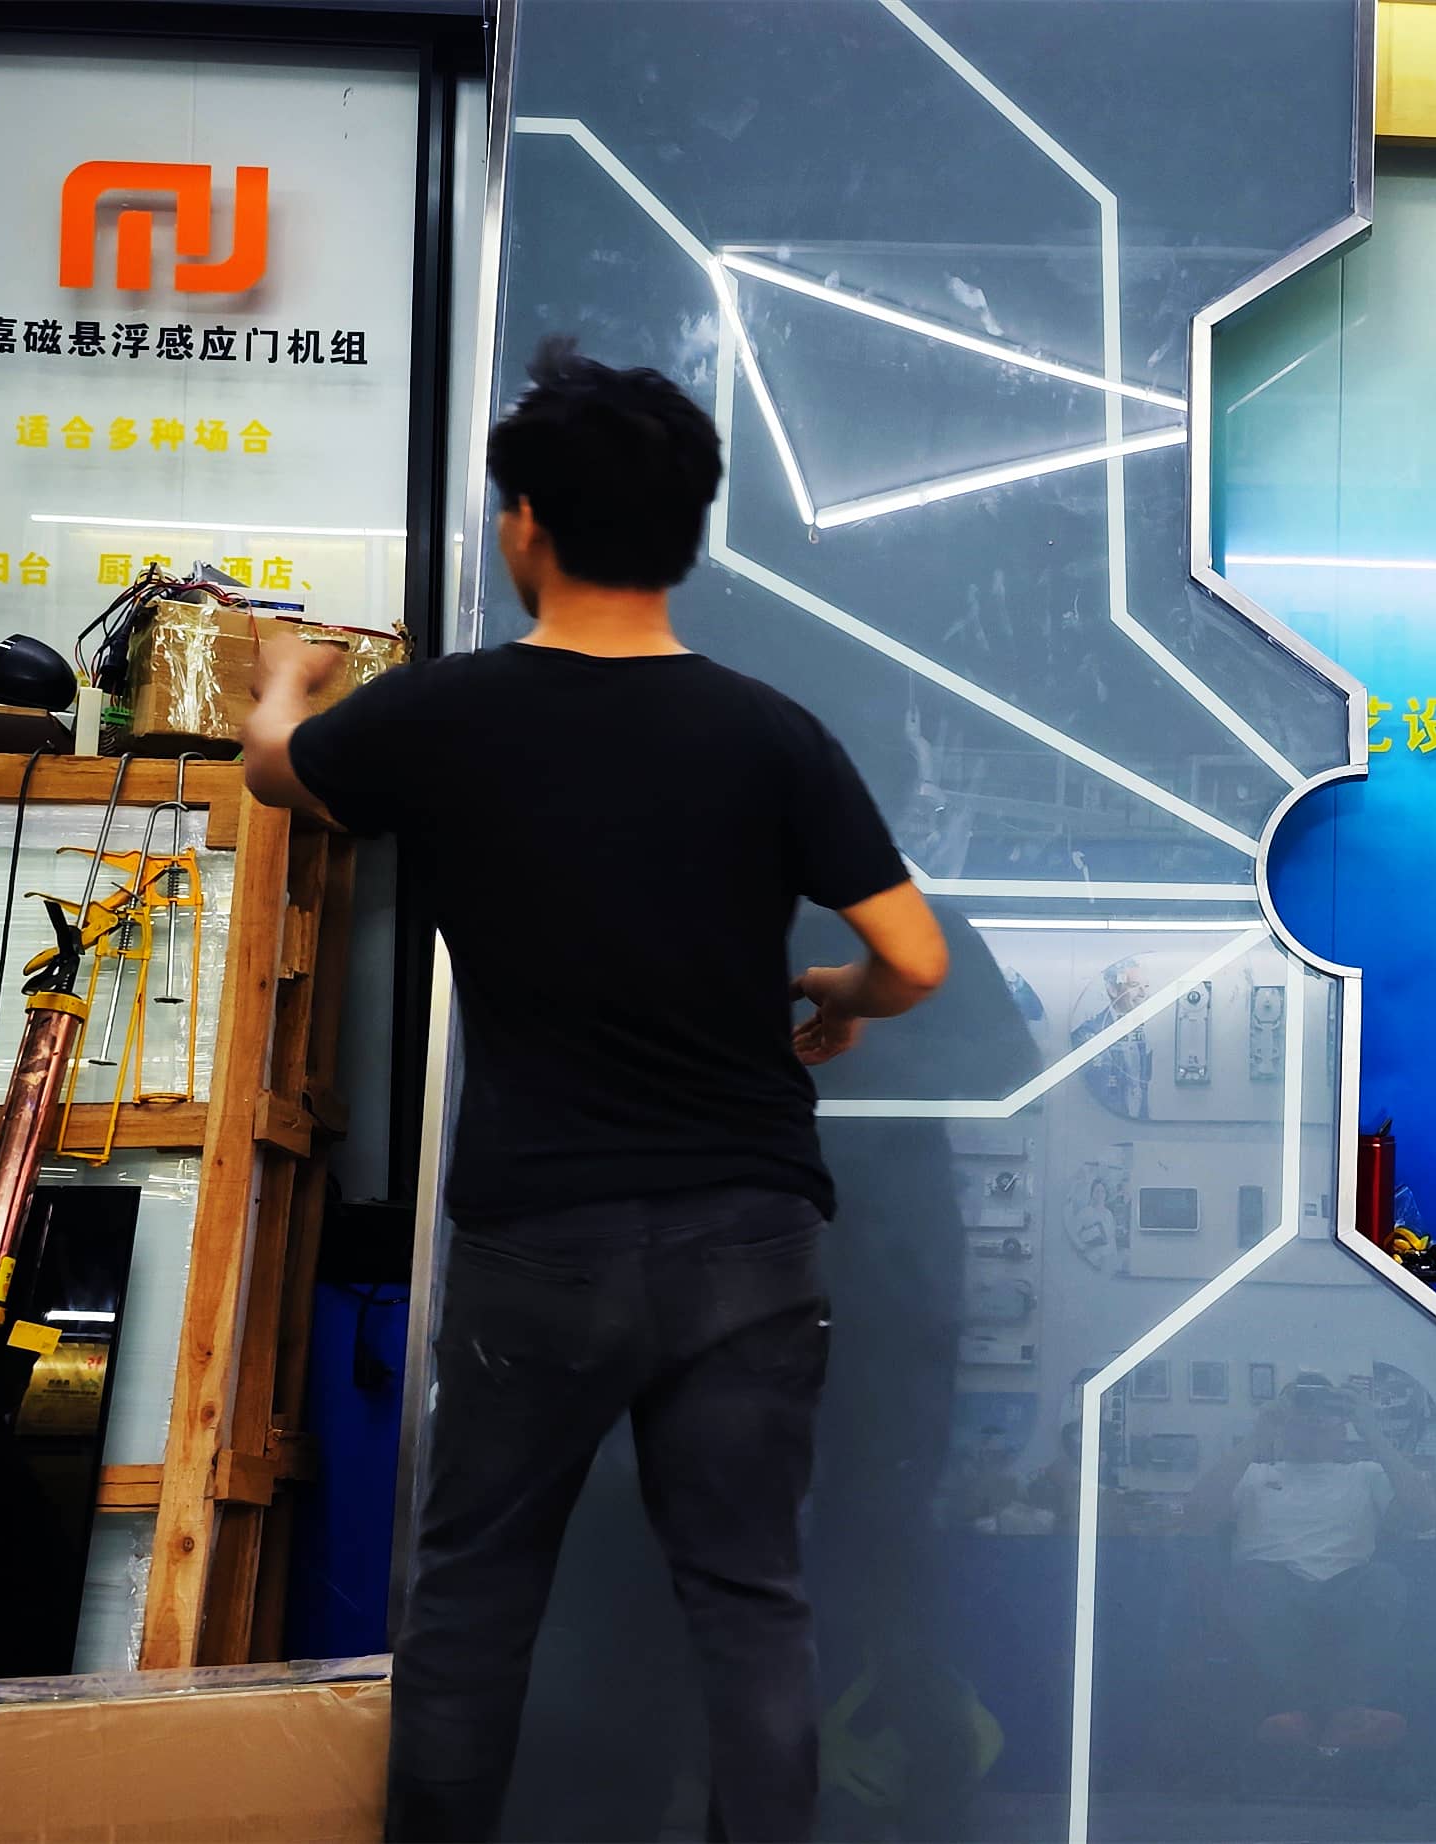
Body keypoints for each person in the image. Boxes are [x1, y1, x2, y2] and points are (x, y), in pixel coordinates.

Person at [239, 337, 948, 1844]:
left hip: (538, 1240)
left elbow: (279, 771)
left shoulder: (445, 713)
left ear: (524, 526)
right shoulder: (768, 728)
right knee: (749, 1601)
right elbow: (913, 958)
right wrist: (835, 994)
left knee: (476, 1593)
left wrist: (286, 679)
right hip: (748, 1235)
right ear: (684, 531)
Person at [1189, 1376, 1436, 1752]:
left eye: (1327, 1407)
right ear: (1284, 1421)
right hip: (1271, 1584)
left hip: (1347, 1587)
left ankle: (1324, 1718)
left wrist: (1372, 1431)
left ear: (1343, 1425)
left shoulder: (1365, 1473)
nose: (1314, 1417)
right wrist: (1259, 1436)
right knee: (1252, 1584)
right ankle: (1327, 1716)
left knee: (1384, 1581)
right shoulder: (1254, 1475)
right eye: (1302, 1405)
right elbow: (1196, 1517)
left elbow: (1426, 1516)